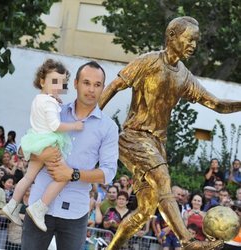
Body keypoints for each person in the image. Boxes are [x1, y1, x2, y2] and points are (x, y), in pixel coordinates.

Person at [98, 16, 241, 249]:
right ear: (172, 36)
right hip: (134, 137)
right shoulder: (148, 61)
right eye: (189, 39)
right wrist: (92, 118)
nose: (193, 45)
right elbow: (114, 85)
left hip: (156, 144)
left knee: (145, 210)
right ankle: (187, 240)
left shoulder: (184, 75)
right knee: (163, 178)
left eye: (196, 41)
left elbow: (216, 104)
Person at [21, 61, 119, 250]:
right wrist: (40, 153)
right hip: (38, 207)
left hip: (75, 214)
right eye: (86, 83)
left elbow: (108, 172)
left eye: (97, 85)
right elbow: (23, 146)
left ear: (103, 88)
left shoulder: (109, 127)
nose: (91, 89)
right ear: (75, 83)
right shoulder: (54, 110)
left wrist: (72, 174)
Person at [2, 59, 84, 232]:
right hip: (49, 144)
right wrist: (74, 126)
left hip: (36, 141)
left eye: (61, 83)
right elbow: (55, 126)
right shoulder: (50, 102)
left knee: (28, 177)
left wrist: (54, 100)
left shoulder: (40, 99)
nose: (57, 86)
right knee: (64, 175)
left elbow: (44, 116)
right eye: (54, 81)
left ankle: (11, 206)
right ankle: (39, 208)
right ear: (42, 81)